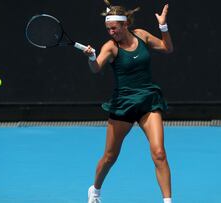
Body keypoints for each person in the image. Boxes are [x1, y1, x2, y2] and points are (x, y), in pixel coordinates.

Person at [84, 0, 174, 202]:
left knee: (159, 153)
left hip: (148, 102)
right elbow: (96, 68)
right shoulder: (110, 47)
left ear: (125, 25)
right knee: (110, 156)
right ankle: (95, 190)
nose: (111, 32)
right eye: (108, 29)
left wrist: (163, 26)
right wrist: (91, 57)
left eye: (114, 28)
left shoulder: (141, 35)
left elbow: (167, 48)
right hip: (123, 105)